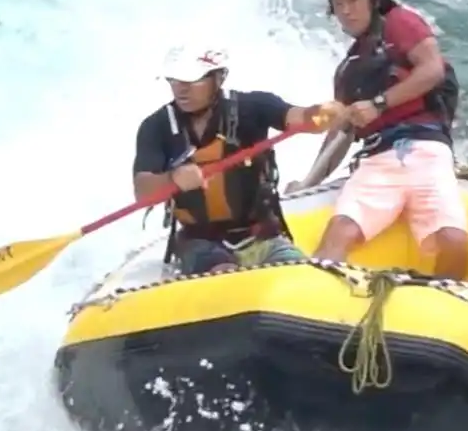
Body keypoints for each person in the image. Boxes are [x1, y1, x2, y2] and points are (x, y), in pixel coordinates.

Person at [290, 0, 468, 280]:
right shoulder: (348, 69)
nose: (345, 10)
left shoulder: (401, 22)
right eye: (338, 3)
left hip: (425, 150)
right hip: (377, 158)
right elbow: (339, 136)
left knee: (453, 241)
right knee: (340, 230)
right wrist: (307, 184)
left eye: (353, 0)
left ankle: (445, 303)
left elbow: (432, 70)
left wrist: (379, 103)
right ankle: (316, 294)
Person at [133, 44, 340, 275]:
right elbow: (142, 192)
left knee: (300, 275)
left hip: (261, 236)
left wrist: (319, 114)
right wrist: (173, 179)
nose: (181, 89)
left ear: (219, 78)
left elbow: (299, 117)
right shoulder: (156, 127)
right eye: (175, 80)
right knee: (222, 271)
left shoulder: (254, 107)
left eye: (193, 80)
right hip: (199, 240)